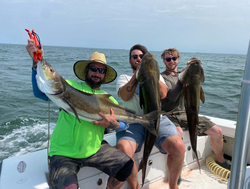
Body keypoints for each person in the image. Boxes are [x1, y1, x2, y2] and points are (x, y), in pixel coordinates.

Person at [26, 39, 134, 189]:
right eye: (94, 69)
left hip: (94, 150)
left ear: (104, 75)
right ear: (86, 71)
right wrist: (35, 62)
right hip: (63, 153)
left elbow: (124, 124)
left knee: (127, 166)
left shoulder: (107, 99)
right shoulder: (69, 86)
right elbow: (39, 93)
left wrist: (114, 124)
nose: (97, 73)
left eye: (101, 71)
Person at [115, 44, 185, 189]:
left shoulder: (157, 76)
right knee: (122, 149)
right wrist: (138, 74)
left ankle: (173, 186)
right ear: (130, 60)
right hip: (133, 121)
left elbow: (164, 94)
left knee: (178, 147)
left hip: (156, 117)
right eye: (135, 57)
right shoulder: (124, 78)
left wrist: (151, 73)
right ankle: (135, 187)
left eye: (142, 56)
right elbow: (125, 95)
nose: (139, 59)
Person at [160, 48, 231, 170]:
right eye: (168, 59)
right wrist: (183, 82)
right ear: (164, 61)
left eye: (174, 58)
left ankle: (220, 160)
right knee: (178, 134)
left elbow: (198, 77)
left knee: (217, 131)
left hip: (186, 113)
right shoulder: (161, 77)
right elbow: (170, 97)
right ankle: (177, 170)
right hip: (168, 114)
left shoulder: (184, 74)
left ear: (178, 59)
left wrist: (197, 65)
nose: (171, 61)